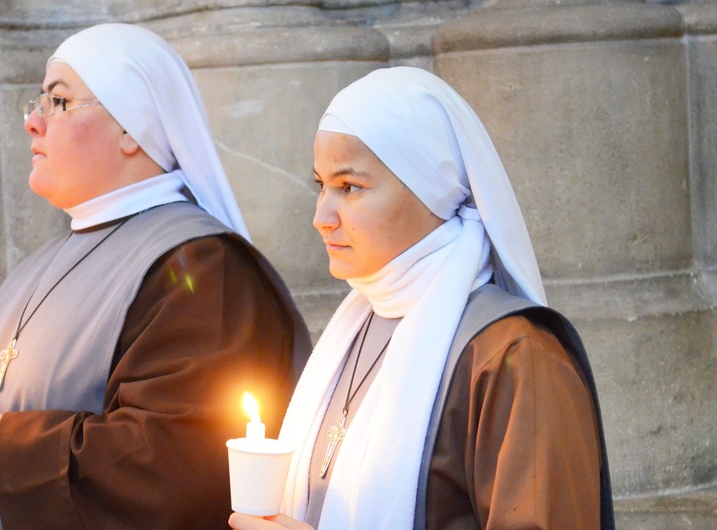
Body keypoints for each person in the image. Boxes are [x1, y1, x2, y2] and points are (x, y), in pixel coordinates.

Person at [0, 23, 311, 529]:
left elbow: (174, 466)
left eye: (59, 102)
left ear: (132, 128)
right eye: (38, 102)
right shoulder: (37, 267)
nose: (33, 123)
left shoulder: (201, 269)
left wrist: (0, 449)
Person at [228, 67, 614, 529]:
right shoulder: (358, 328)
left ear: (432, 188)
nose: (321, 217)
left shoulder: (515, 357)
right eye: (321, 186)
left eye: (349, 187)